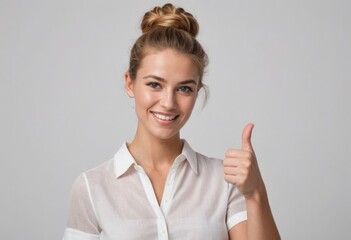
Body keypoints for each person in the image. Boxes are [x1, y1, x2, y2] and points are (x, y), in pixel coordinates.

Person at [63, 3, 280, 240]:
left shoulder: (225, 182)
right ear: (129, 83)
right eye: (155, 84)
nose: (168, 103)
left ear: (197, 93)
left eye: (184, 88)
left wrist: (255, 193)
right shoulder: (92, 187)